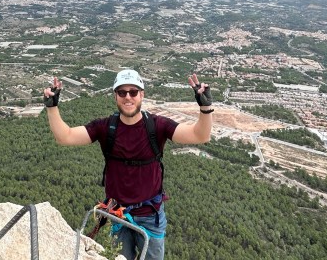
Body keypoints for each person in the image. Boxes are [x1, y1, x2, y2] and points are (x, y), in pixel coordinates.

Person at [43, 69, 214, 260]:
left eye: (133, 92)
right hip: (118, 215)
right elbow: (64, 137)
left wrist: (205, 107)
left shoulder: (157, 126)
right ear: (115, 96)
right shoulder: (105, 127)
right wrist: (52, 107)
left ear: (142, 94)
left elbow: (200, 135)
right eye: (122, 92)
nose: (128, 97)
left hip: (151, 216)